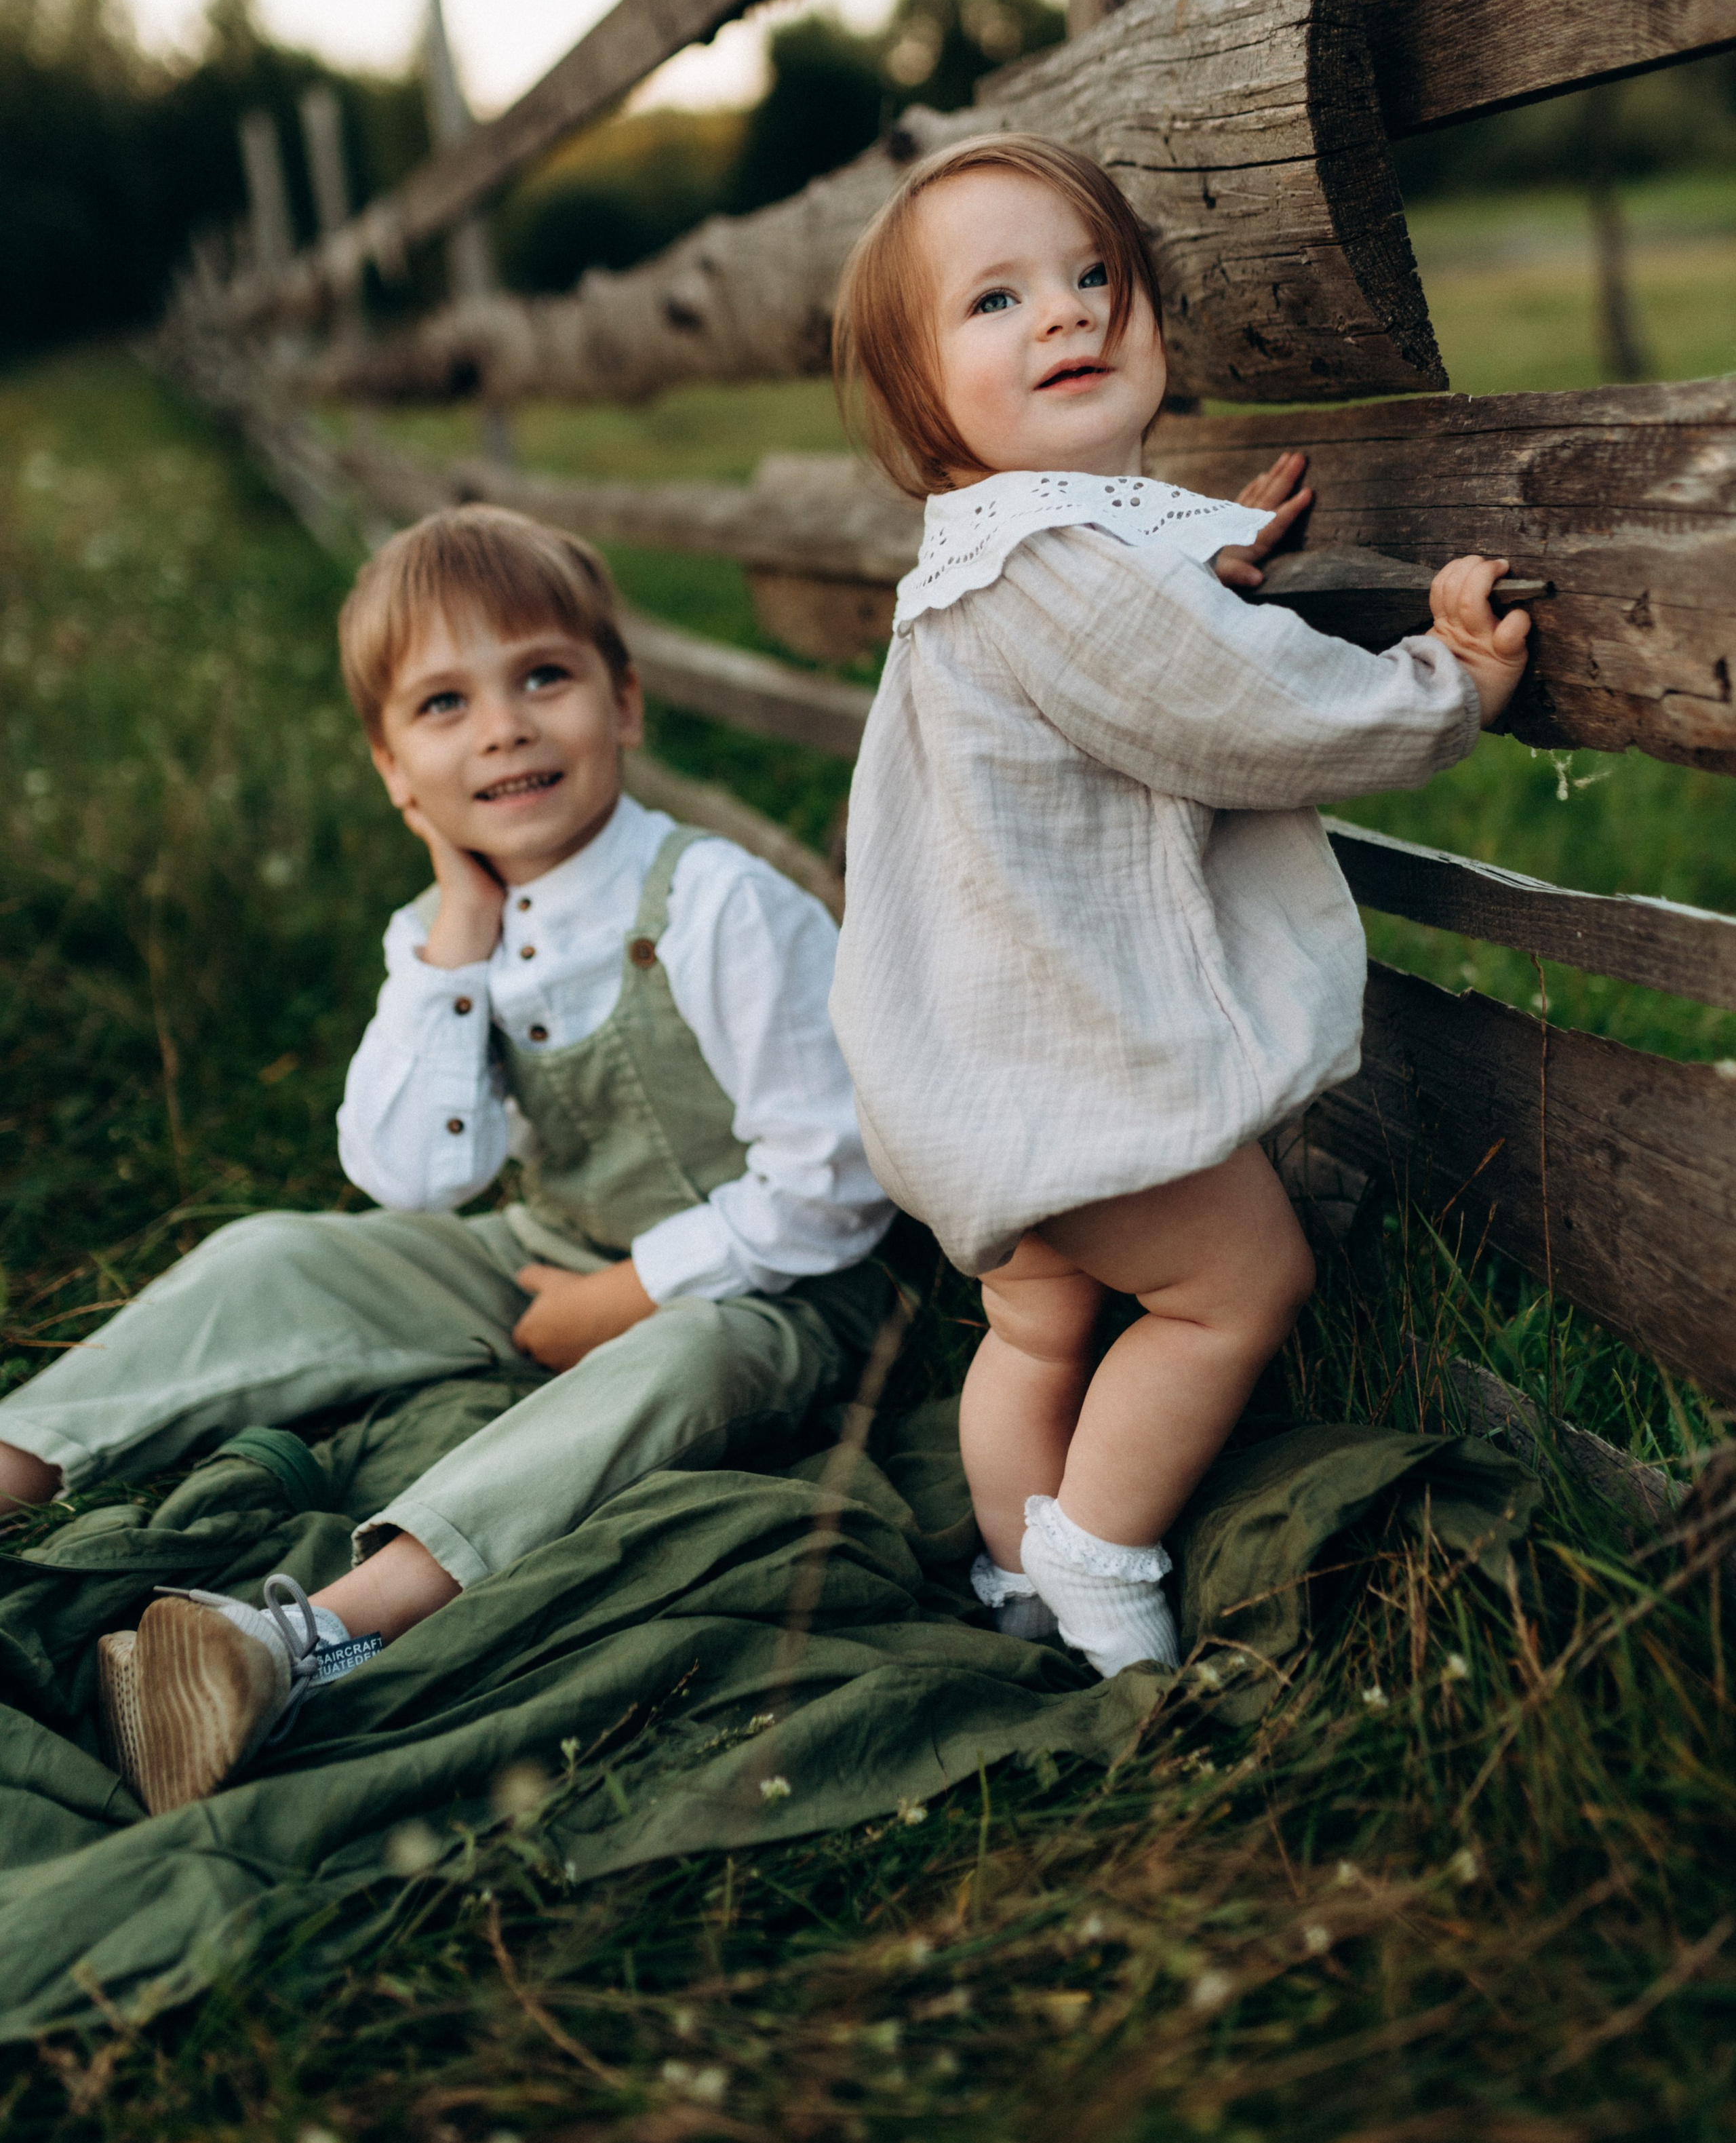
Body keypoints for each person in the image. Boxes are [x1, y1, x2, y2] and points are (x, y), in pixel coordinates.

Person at [0, 507, 891, 1811]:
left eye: (543, 676)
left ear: (624, 702)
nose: (504, 727)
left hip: (777, 1288)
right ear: (394, 771)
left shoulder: (715, 903)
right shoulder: (440, 930)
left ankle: (301, 1641)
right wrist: (460, 933)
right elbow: (412, 1181)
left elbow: (838, 1175)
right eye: (442, 704)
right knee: (276, 1254)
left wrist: (626, 1297)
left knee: (684, 1360)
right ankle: (18, 1460)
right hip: (544, 1252)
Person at [827, 134, 1531, 1678]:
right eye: (996, 300)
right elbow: (1233, 709)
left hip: (964, 1067)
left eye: (1095, 277)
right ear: (916, 404)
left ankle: (1014, 1580)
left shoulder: (990, 560)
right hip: (1070, 1069)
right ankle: (1098, 1550)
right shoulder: (1049, 571)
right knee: (1238, 1284)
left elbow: (1119, 627)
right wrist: (1443, 688)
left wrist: (1195, 554)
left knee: (1037, 1327)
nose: (1069, 314)